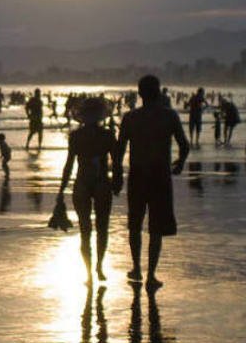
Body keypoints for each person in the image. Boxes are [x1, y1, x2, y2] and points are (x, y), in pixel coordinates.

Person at [117, 75, 189, 290]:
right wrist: (180, 164)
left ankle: (137, 268)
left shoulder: (130, 118)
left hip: (138, 175)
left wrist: (116, 176)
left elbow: (119, 150)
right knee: (156, 227)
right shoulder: (169, 116)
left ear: (139, 94)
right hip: (160, 176)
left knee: (135, 224)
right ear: (158, 93)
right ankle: (151, 275)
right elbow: (184, 145)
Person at [58, 97, 120, 283]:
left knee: (86, 230)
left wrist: (61, 190)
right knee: (102, 228)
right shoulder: (107, 135)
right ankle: (98, 268)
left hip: (82, 182)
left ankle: (89, 273)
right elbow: (116, 162)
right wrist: (118, 181)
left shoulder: (76, 136)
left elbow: (69, 165)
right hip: (101, 182)